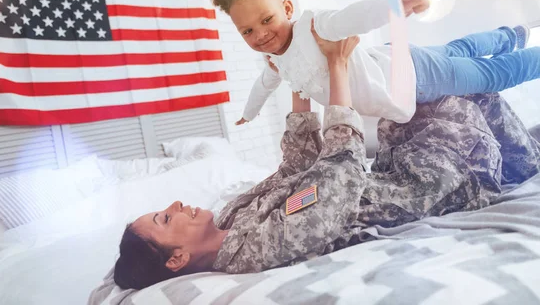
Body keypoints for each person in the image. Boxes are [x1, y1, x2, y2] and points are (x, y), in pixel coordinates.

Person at [109, 30, 540, 290]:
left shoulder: (230, 217)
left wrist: (296, 75)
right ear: (177, 259)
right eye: (165, 220)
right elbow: (339, 178)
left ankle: (508, 40)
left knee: (407, 78)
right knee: (461, 93)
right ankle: (526, 163)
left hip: (392, 169)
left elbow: (295, 169)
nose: (176, 206)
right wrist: (336, 68)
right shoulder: (257, 250)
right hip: (432, 181)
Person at [209, 0, 540, 125]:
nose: (261, 34)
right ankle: (510, 34)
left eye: (266, 20)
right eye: (247, 30)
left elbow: (355, 16)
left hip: (412, 76)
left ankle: (521, 49)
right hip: (393, 59)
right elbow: (262, 86)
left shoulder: (315, 27)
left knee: (489, 74)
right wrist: (248, 114)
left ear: (287, 7)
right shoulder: (276, 62)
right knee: (458, 49)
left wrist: (399, 4)